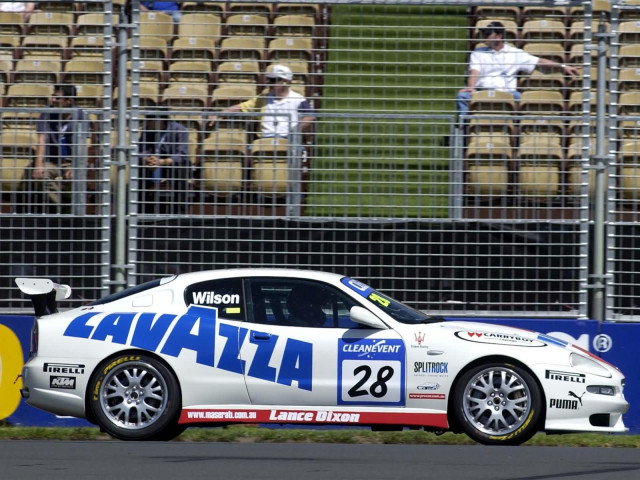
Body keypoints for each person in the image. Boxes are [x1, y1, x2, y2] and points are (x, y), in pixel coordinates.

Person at [456, 21, 581, 118]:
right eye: (484, 33)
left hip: (508, 93)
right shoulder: (478, 52)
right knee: (462, 96)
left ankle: (517, 133)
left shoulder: (515, 53)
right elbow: (474, 72)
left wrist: (563, 67)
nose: (484, 36)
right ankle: (464, 129)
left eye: (488, 33)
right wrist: (471, 88)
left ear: (499, 36)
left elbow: (539, 61)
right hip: (482, 92)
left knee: (520, 98)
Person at [208, 64, 315, 139]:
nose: (270, 83)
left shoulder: (298, 99)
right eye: (270, 80)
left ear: (285, 82)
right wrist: (219, 114)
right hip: (264, 139)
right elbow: (240, 107)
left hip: (287, 140)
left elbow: (310, 116)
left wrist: (294, 131)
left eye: (274, 81)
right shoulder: (262, 99)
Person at [28, 84, 88, 213]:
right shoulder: (47, 112)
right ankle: (62, 206)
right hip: (53, 160)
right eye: (53, 97)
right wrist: (38, 165)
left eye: (57, 98)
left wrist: (75, 166)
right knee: (41, 176)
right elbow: (41, 139)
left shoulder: (80, 115)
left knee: (76, 176)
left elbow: (82, 144)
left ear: (68, 101)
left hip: (71, 160)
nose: (52, 100)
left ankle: (71, 208)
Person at [138, 111, 191, 214]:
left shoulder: (179, 129)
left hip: (172, 163)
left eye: (149, 121)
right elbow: (141, 150)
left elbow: (182, 154)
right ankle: (141, 209)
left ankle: (180, 211)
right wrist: (147, 160)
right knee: (138, 168)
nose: (146, 123)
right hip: (154, 163)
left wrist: (162, 162)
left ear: (160, 120)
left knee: (181, 169)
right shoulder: (147, 130)